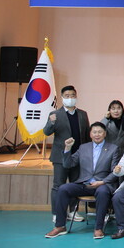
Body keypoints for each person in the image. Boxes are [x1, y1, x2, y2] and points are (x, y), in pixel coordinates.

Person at [45, 122, 119, 239]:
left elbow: (115, 172)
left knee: (103, 192)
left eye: (100, 132)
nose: (97, 134)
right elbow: (68, 164)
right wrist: (67, 148)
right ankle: (60, 226)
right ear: (90, 134)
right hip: (84, 183)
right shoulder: (83, 147)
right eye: (94, 132)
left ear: (105, 134)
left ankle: (98, 228)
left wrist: (103, 182)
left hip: (102, 184)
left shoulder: (113, 148)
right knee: (63, 189)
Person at [43, 85, 90, 221]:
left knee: (75, 185)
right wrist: (51, 122)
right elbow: (46, 132)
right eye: (67, 96)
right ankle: (57, 213)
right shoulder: (55, 114)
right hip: (60, 157)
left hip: (77, 156)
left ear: (76, 96)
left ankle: (73, 211)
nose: (70, 98)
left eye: (72, 95)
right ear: (62, 98)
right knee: (58, 186)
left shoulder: (83, 114)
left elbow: (86, 135)